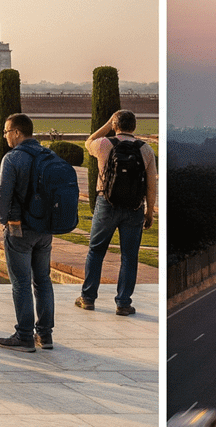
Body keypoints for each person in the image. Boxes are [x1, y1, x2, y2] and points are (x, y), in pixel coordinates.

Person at [76, 110, 157, 317]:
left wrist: (108, 124)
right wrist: (149, 212)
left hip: (107, 203)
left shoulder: (104, 145)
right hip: (134, 208)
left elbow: (88, 141)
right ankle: (123, 303)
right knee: (129, 257)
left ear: (115, 125)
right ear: (134, 127)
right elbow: (150, 186)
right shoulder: (145, 149)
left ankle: (88, 298)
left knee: (96, 251)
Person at [0, 113, 55, 352]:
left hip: (20, 228)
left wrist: (3, 220)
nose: (5, 136)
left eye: (7, 131)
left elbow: (3, 194)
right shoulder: (48, 154)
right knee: (42, 280)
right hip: (45, 229)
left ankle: (24, 336)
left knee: (21, 282)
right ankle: (45, 335)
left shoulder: (12, 159)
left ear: (18, 132)